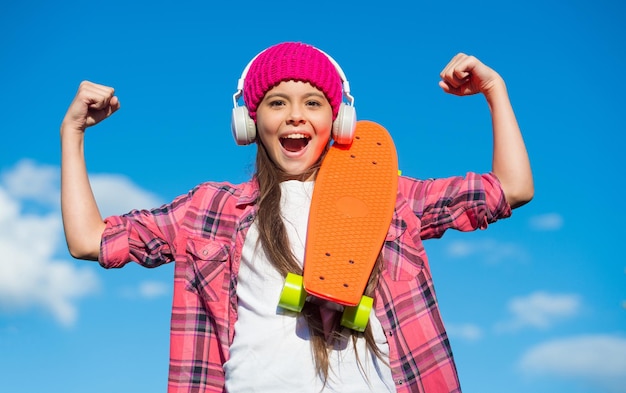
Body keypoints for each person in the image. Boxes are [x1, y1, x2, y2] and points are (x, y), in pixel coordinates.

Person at [60, 41, 533, 393]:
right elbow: (90, 240)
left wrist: (496, 90)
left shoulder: (387, 195)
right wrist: (73, 133)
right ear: (250, 121)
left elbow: (510, 189)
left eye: (312, 103)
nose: (294, 116)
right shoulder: (209, 211)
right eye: (276, 102)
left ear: (338, 120)